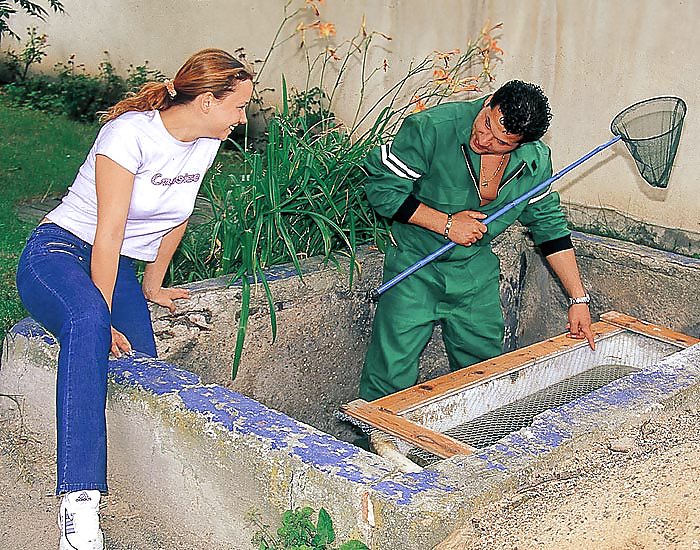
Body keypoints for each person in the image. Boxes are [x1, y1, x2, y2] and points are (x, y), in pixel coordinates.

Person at [15, 48, 253, 550]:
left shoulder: (205, 142)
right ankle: (79, 506)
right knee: (86, 323)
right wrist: (102, 317)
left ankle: (142, 479)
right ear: (208, 101)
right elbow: (109, 230)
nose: (242, 118)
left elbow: (178, 214)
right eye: (238, 107)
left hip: (117, 265)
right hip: (59, 253)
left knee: (144, 365)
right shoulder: (129, 136)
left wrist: (152, 282)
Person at [359, 80, 595, 402]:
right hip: (415, 265)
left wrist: (577, 299)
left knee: (484, 371)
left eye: (501, 142)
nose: (483, 139)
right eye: (486, 123)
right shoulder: (431, 129)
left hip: (474, 271)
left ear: (521, 144)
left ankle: (475, 445)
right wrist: (446, 224)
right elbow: (382, 190)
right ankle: (373, 448)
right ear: (489, 103)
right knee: (390, 373)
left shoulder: (535, 161)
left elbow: (549, 227)